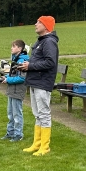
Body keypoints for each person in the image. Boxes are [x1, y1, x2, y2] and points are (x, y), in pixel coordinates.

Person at [17, 16, 59, 156]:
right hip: (35, 81)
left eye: (39, 22)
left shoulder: (49, 42)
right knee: (37, 114)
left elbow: (50, 62)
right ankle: (37, 144)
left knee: (44, 114)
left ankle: (45, 147)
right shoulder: (41, 41)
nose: (35, 24)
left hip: (43, 82)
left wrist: (30, 66)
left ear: (46, 26)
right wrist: (26, 66)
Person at [0, 39, 29, 141]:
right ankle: (10, 133)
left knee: (17, 114)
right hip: (11, 89)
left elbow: (22, 78)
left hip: (18, 90)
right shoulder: (15, 59)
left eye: (14, 46)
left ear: (20, 48)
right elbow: (13, 74)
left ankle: (18, 134)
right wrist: (5, 77)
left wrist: (8, 80)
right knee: (10, 113)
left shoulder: (22, 61)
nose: (11, 48)